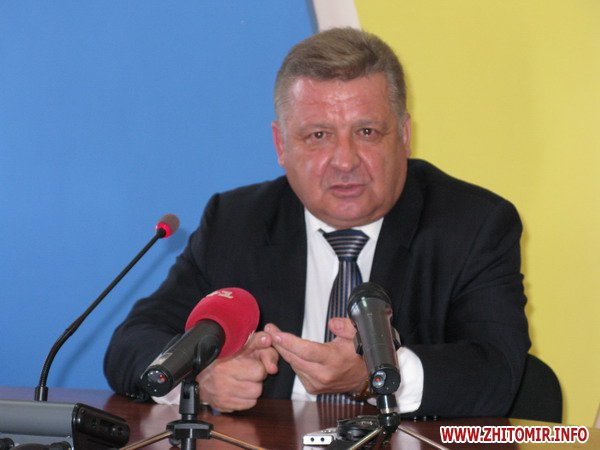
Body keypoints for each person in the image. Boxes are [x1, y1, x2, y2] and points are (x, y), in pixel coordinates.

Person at [104, 27, 530, 418]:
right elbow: (132, 342)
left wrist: (376, 375)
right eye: (318, 136)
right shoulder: (235, 222)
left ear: (403, 135)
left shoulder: (474, 225)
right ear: (281, 145)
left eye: (366, 132)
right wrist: (199, 377)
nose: (344, 161)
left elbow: (497, 372)